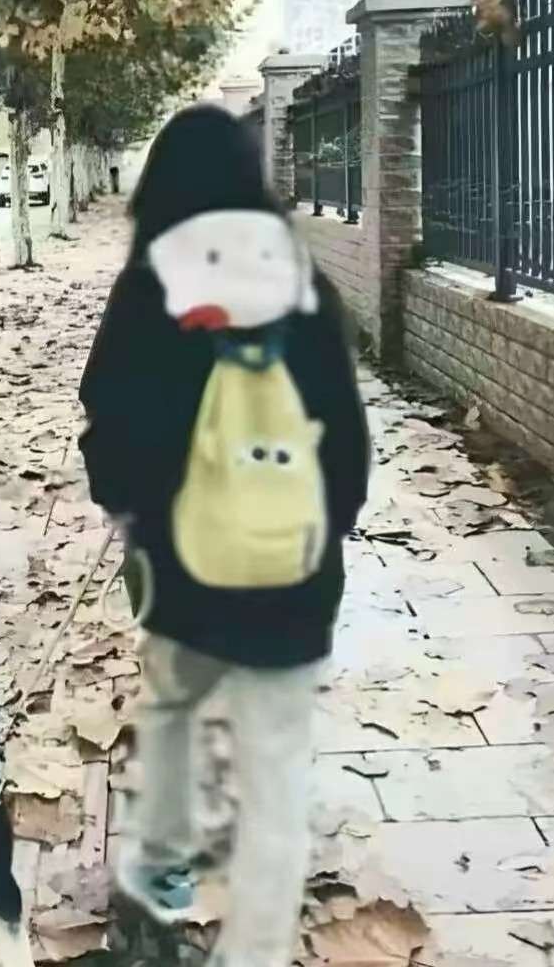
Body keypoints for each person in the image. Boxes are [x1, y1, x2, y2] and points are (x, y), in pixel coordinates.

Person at [77, 105, 370, 967]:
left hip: (182, 568)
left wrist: (129, 508)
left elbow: (107, 417)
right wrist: (321, 534)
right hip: (293, 573)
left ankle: (158, 889)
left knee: (171, 715)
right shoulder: (303, 288)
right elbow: (347, 443)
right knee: (275, 769)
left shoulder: (151, 286)